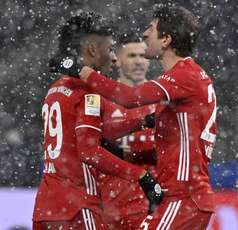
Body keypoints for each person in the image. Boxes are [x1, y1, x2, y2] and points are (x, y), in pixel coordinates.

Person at [54, 4, 217, 229]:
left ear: (166, 40)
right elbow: (170, 146)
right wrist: (122, 152)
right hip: (173, 198)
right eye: (131, 55)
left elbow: (130, 98)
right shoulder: (181, 82)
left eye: (151, 28)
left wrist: (84, 71)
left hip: (183, 196)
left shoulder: (184, 76)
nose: (145, 33)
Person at [32, 11, 163, 229]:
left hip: (46, 208)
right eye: (110, 49)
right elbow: (90, 151)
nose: (114, 58)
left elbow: (98, 132)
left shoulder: (56, 89)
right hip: (77, 206)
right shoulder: (88, 93)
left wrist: (143, 121)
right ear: (93, 50)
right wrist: (140, 175)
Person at [98, 33, 158, 229]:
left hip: (149, 204)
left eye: (143, 56)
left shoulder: (160, 102)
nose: (139, 61)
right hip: (108, 204)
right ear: (117, 60)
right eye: (132, 56)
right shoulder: (101, 100)